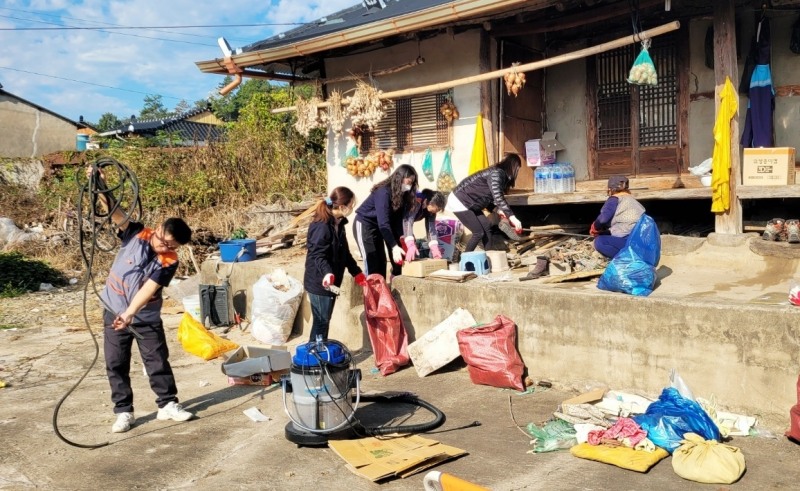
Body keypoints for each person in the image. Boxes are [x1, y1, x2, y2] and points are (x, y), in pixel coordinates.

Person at [86, 166, 194, 434]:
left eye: (172, 247)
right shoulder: (135, 232)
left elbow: (150, 288)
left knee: (157, 361)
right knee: (116, 362)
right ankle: (124, 411)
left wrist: (131, 312)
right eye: (165, 242)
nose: (165, 248)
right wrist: (99, 184)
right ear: (159, 229)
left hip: (144, 316)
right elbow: (114, 211)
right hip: (113, 311)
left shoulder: (169, 260)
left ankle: (167, 404)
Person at [304, 187, 366, 342]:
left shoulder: (339, 224)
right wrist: (327, 272)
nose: (352, 208)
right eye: (351, 205)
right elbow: (318, 255)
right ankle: (314, 353)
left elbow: (344, 253)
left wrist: (356, 272)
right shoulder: (322, 226)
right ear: (342, 206)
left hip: (331, 281)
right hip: (319, 281)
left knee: (324, 321)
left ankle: (319, 350)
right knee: (321, 322)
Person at [445, 153, 524, 252]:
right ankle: (466, 259)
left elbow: (486, 196)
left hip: (471, 202)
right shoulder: (496, 173)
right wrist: (512, 217)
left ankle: (489, 256)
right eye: (518, 169)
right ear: (514, 166)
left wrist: (497, 210)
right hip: (460, 201)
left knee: (486, 227)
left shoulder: (498, 174)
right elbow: (498, 196)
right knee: (478, 233)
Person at [352, 164, 419, 278]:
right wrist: (394, 247)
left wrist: (403, 239)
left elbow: (397, 220)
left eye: (412, 183)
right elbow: (383, 223)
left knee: (381, 262)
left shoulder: (401, 194)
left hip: (380, 228)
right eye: (408, 181)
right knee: (372, 262)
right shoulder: (383, 192)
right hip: (365, 225)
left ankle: (381, 288)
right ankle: (370, 289)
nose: (409, 185)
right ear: (400, 177)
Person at [590, 175, 645, 258]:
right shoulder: (633, 201)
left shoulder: (614, 199)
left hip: (629, 241)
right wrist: (603, 233)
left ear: (611, 189)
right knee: (604, 236)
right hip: (641, 242)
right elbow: (621, 226)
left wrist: (594, 227)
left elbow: (602, 220)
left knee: (599, 242)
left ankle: (625, 259)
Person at [402, 189, 446, 262]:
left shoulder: (431, 211)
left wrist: (434, 247)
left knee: (413, 252)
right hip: (397, 221)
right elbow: (408, 220)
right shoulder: (417, 200)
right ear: (431, 202)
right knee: (403, 248)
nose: (437, 211)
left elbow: (431, 228)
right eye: (437, 208)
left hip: (405, 223)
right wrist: (410, 243)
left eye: (438, 210)